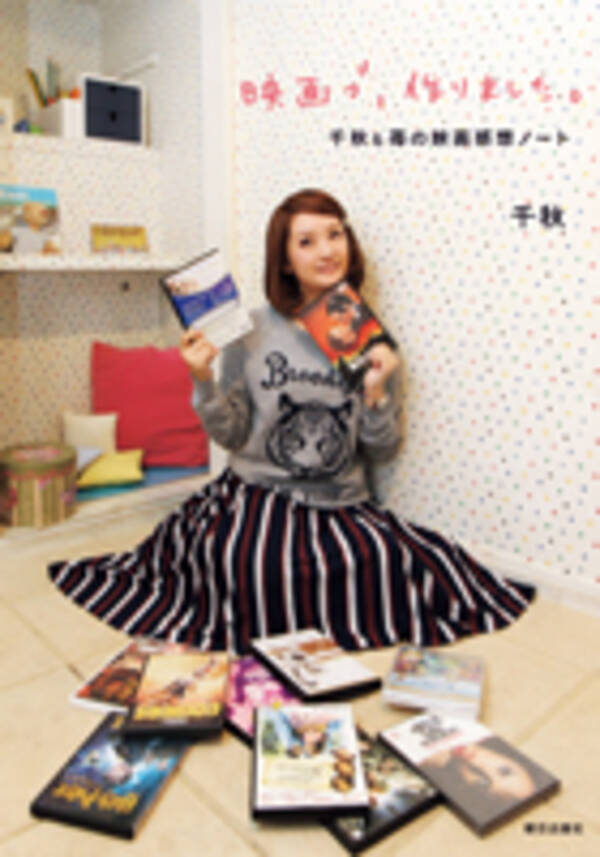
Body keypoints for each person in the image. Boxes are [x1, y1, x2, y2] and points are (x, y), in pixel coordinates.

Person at [48, 188, 534, 655]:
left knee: (389, 563)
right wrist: (202, 379)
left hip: (339, 500)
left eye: (335, 234)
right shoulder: (252, 330)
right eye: (307, 241)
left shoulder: (369, 339)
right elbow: (232, 433)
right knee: (253, 568)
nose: (327, 250)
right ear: (284, 260)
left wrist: (377, 390)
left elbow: (382, 450)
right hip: (259, 494)